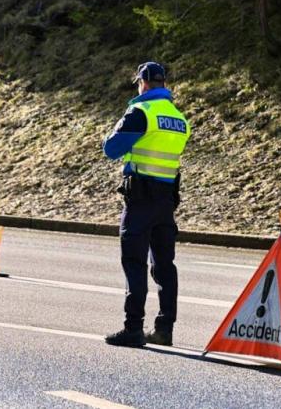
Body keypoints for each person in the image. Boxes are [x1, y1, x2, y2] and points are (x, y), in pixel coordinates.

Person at [102, 61, 191, 347]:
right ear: (164, 84)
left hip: (140, 199)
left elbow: (111, 149)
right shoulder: (179, 118)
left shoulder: (141, 112)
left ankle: (133, 328)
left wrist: (118, 126)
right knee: (165, 266)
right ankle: (165, 329)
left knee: (134, 262)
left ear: (143, 83)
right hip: (166, 200)